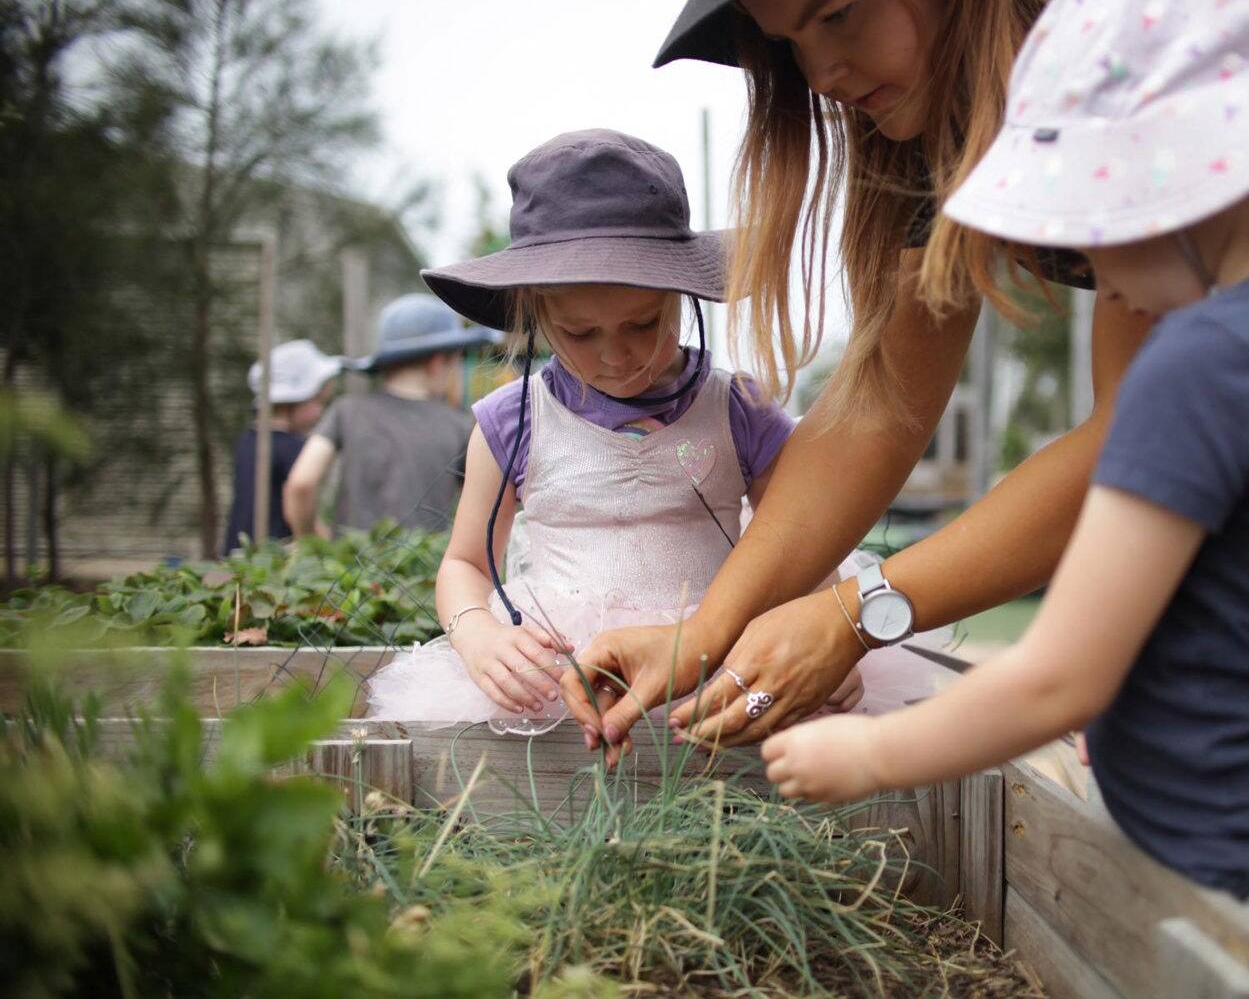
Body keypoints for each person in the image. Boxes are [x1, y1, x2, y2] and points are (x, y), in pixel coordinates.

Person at [567, 0, 1249, 791]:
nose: (820, 75)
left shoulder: (1178, 38)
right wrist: (706, 633)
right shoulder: (937, 105)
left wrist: (862, 621)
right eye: (788, 45)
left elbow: (1126, 452)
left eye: (837, 12)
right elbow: (886, 403)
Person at [763, 0, 1249, 991]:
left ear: (1171, 172)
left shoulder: (1200, 360)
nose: (1094, 267)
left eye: (1092, 217)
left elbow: (1060, 675)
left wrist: (863, 759)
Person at [364, 130, 939, 736]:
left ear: (681, 294)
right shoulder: (512, 422)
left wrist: (820, 624)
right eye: (581, 334)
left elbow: (801, 539)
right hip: (560, 670)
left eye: (643, 323)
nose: (617, 355)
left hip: (715, 660)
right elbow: (465, 563)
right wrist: (476, 633)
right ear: (534, 314)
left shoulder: (737, 407)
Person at [283, 293, 496, 537]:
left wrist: (310, 540)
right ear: (437, 362)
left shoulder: (347, 410)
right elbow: (483, 503)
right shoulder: (459, 425)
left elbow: (301, 482)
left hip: (348, 568)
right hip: (422, 571)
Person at [222, 339, 341, 550]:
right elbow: (298, 501)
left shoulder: (249, 440)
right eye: (317, 401)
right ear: (292, 402)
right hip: (275, 556)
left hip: (238, 551)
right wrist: (326, 545)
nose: (320, 412)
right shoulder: (293, 448)